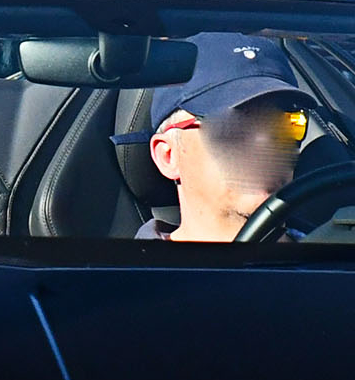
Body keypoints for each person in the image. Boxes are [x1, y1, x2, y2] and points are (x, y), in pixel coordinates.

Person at [130, 33, 314, 241]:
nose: (265, 145)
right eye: (233, 128)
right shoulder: (126, 271)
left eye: (284, 125)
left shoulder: (340, 262)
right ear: (168, 156)